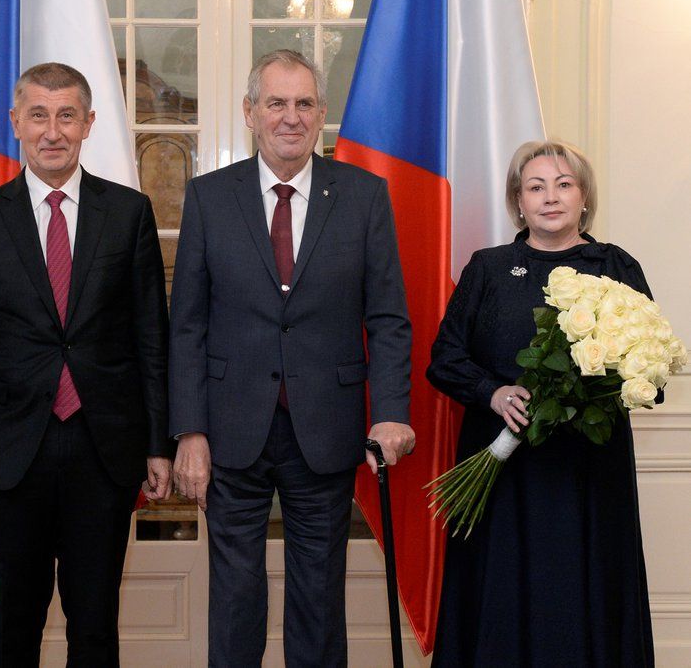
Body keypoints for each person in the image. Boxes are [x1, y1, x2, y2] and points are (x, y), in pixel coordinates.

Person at [169, 49, 415, 667]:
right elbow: (188, 324)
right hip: (230, 429)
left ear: (322, 114)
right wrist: (190, 430)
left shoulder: (363, 197)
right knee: (234, 598)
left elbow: (387, 319)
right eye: (276, 103)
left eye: (304, 103)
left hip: (326, 428)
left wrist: (389, 412)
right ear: (251, 112)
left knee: (319, 598)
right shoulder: (208, 197)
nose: (290, 117)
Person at [0, 62, 172, 667]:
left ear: (89, 124)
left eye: (67, 115)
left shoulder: (129, 213)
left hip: (104, 450)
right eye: (38, 114)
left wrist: (158, 444)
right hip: (8, 453)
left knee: (95, 627)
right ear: (15, 122)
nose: (52, 130)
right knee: (15, 626)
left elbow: (151, 337)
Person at [428, 140, 655, 666]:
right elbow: (444, 358)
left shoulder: (617, 266)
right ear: (518, 201)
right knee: (501, 589)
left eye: (563, 184)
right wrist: (493, 392)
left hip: (589, 471)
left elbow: (650, 368)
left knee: (585, 587)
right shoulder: (486, 268)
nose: (550, 197)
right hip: (503, 467)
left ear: (583, 197)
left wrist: (593, 388)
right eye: (535, 187)